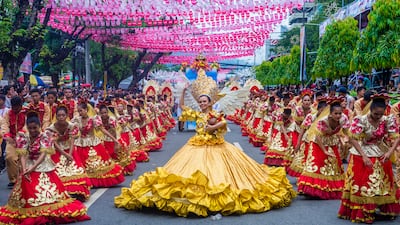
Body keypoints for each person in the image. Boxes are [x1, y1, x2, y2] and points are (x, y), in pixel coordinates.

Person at [115, 69, 296, 217]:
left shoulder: (215, 114)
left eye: (204, 101)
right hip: (196, 147)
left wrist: (214, 126)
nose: (201, 104)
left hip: (218, 147)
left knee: (220, 176)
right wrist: (185, 92)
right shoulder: (197, 114)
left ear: (210, 102)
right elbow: (183, 108)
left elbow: (224, 123)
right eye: (200, 101)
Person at [0, 113, 90, 224]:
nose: (32, 130)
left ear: (39, 126)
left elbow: (43, 156)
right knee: (26, 190)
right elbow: (23, 155)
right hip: (28, 165)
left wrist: (32, 169)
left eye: (35, 128)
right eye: (30, 128)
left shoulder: (46, 136)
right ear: (27, 127)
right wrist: (24, 170)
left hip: (43, 165)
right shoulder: (23, 136)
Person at [338, 93, 400, 223]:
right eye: (375, 114)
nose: (378, 117)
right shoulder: (360, 119)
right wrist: (364, 156)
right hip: (363, 150)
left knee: (383, 181)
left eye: (380, 114)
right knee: (364, 183)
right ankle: (365, 210)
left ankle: (383, 207)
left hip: (381, 151)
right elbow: (353, 138)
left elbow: (396, 137)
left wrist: (390, 152)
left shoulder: (388, 119)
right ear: (370, 110)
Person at [297, 97, 350, 199]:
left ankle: (328, 188)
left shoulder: (344, 119)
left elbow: (348, 133)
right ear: (330, 113)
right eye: (336, 113)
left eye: (340, 113)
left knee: (334, 167)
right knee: (316, 165)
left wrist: (346, 143)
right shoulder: (322, 121)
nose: (338, 116)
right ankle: (312, 190)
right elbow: (317, 136)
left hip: (332, 143)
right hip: (318, 143)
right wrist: (324, 150)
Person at [72, 100, 125, 187]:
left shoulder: (94, 119)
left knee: (99, 163)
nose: (79, 113)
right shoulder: (76, 120)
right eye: (78, 111)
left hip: (93, 143)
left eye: (81, 110)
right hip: (80, 144)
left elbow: (102, 129)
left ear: (86, 110)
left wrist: (114, 140)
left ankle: (97, 180)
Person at [46, 106, 92, 201]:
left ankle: (77, 192)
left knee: (74, 170)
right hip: (57, 152)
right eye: (59, 115)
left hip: (70, 150)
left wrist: (70, 155)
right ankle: (63, 193)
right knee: (59, 172)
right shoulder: (51, 128)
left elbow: (72, 141)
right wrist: (65, 154)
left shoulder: (72, 126)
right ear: (56, 116)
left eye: (63, 115)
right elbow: (54, 144)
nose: (61, 117)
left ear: (67, 115)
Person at [3, 96, 26, 188]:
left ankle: (22, 178)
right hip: (11, 139)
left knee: (22, 159)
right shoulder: (9, 113)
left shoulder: (27, 112)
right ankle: (13, 180)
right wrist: (7, 135)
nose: (15, 109)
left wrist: (22, 134)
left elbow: (28, 125)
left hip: (24, 139)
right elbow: (5, 125)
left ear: (21, 105)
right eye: (13, 107)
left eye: (17, 107)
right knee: (9, 157)